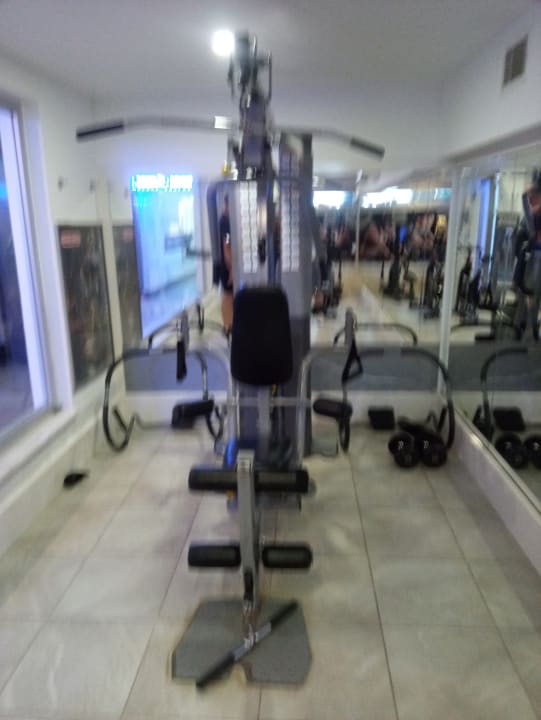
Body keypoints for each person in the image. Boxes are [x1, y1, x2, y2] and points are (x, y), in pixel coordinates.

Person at [218, 194, 234, 333]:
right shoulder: (225, 222)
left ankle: (230, 324)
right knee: (228, 295)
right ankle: (227, 326)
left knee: (231, 295)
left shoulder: (227, 220)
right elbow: (226, 245)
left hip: (229, 265)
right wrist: (231, 268)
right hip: (227, 266)